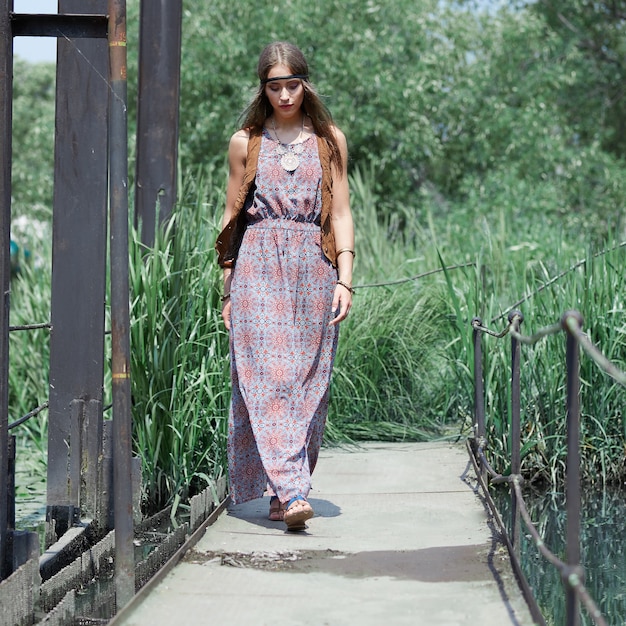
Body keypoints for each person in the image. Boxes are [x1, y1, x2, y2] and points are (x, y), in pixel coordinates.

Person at [215, 41, 354, 531]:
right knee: (270, 378)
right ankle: (294, 492)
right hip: (258, 265)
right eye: (275, 86)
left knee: (309, 383)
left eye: (292, 84)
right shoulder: (245, 142)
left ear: (305, 83)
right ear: (264, 89)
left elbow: (340, 212)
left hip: (314, 267)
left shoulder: (328, 140)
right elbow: (233, 215)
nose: (285, 94)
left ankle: (281, 490)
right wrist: (228, 288)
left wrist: (346, 279)